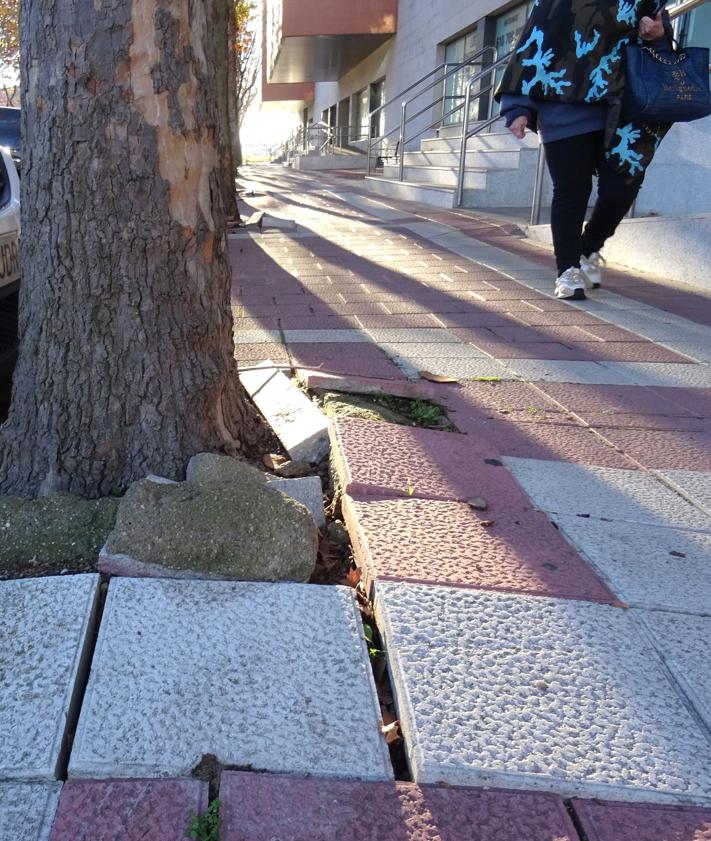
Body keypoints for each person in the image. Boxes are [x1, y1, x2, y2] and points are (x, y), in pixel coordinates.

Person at [497, 2, 674, 300]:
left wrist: (657, 35)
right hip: (563, 105)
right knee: (570, 190)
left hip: (625, 111)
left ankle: (588, 248)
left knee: (622, 188)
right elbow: (532, 43)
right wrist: (517, 108)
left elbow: (663, 54)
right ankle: (567, 270)